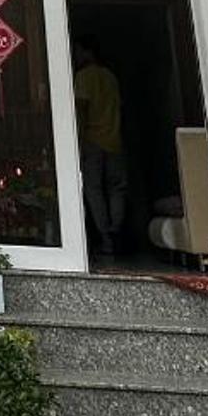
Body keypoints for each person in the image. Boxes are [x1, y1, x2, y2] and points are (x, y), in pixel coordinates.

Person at [72, 37, 126, 258]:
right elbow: (119, 106)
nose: (75, 56)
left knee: (93, 190)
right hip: (114, 140)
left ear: (88, 52)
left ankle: (105, 238)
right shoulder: (110, 77)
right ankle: (117, 231)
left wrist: (78, 141)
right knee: (116, 188)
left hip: (92, 141)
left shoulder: (84, 77)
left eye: (78, 51)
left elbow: (81, 111)